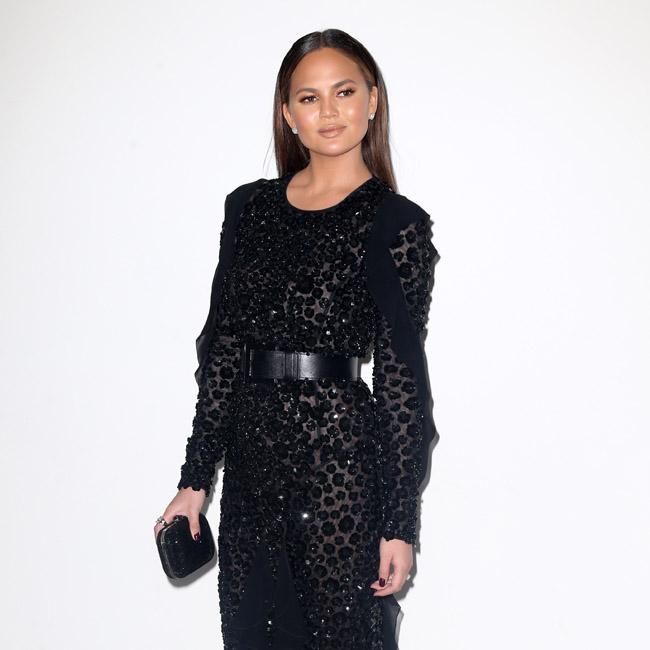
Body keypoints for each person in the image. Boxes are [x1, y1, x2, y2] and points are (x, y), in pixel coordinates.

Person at [154, 28, 441, 650]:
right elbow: (225, 354)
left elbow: (400, 386)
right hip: (252, 476)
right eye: (309, 98)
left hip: (342, 474)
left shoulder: (397, 225)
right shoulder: (248, 211)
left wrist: (399, 523)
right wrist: (195, 481)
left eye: (344, 92)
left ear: (372, 100)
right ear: (287, 112)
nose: (328, 111)